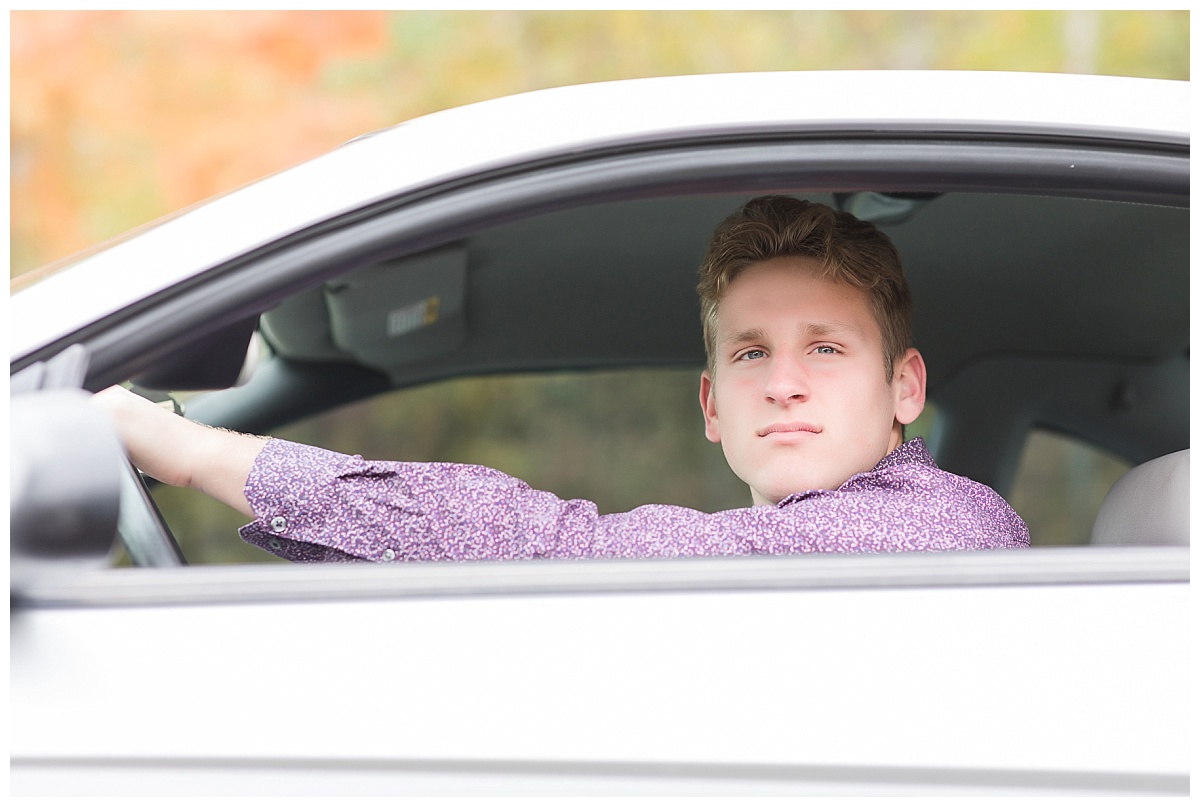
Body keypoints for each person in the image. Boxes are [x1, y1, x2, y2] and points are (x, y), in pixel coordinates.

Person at [97, 196, 1030, 561]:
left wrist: (186, 450)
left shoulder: (934, 530)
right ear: (712, 404)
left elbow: (552, 549)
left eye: (825, 348)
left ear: (906, 387)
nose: (783, 382)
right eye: (750, 352)